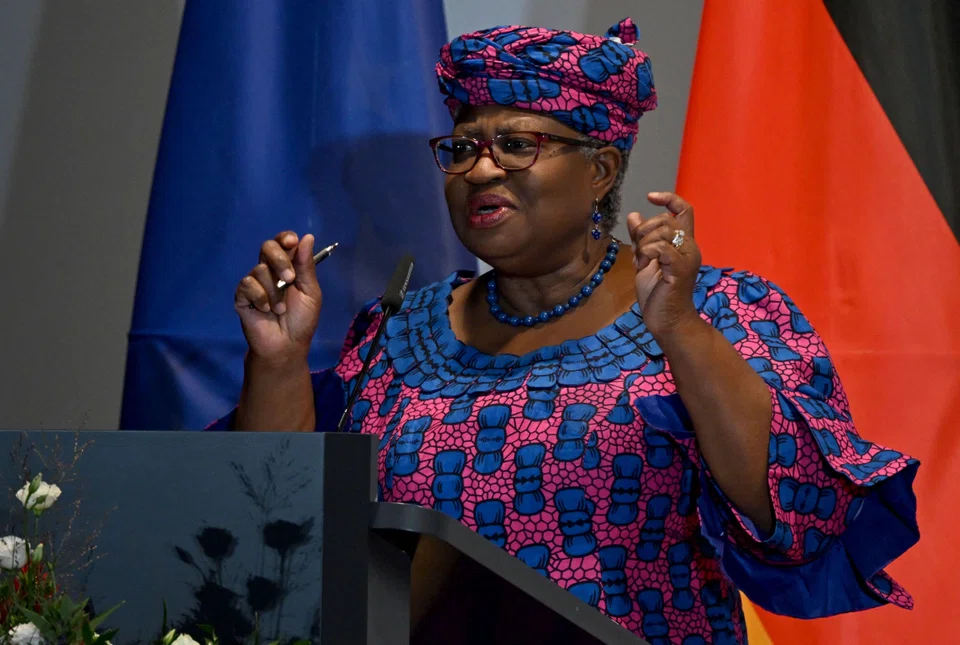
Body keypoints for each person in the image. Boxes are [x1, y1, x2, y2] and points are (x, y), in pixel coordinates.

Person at [209, 18, 920, 644]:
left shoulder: (725, 310)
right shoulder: (396, 334)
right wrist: (277, 359)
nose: (479, 169)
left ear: (601, 170)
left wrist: (680, 331)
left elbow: (796, 510)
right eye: (460, 149)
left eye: (516, 143)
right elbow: (280, 533)